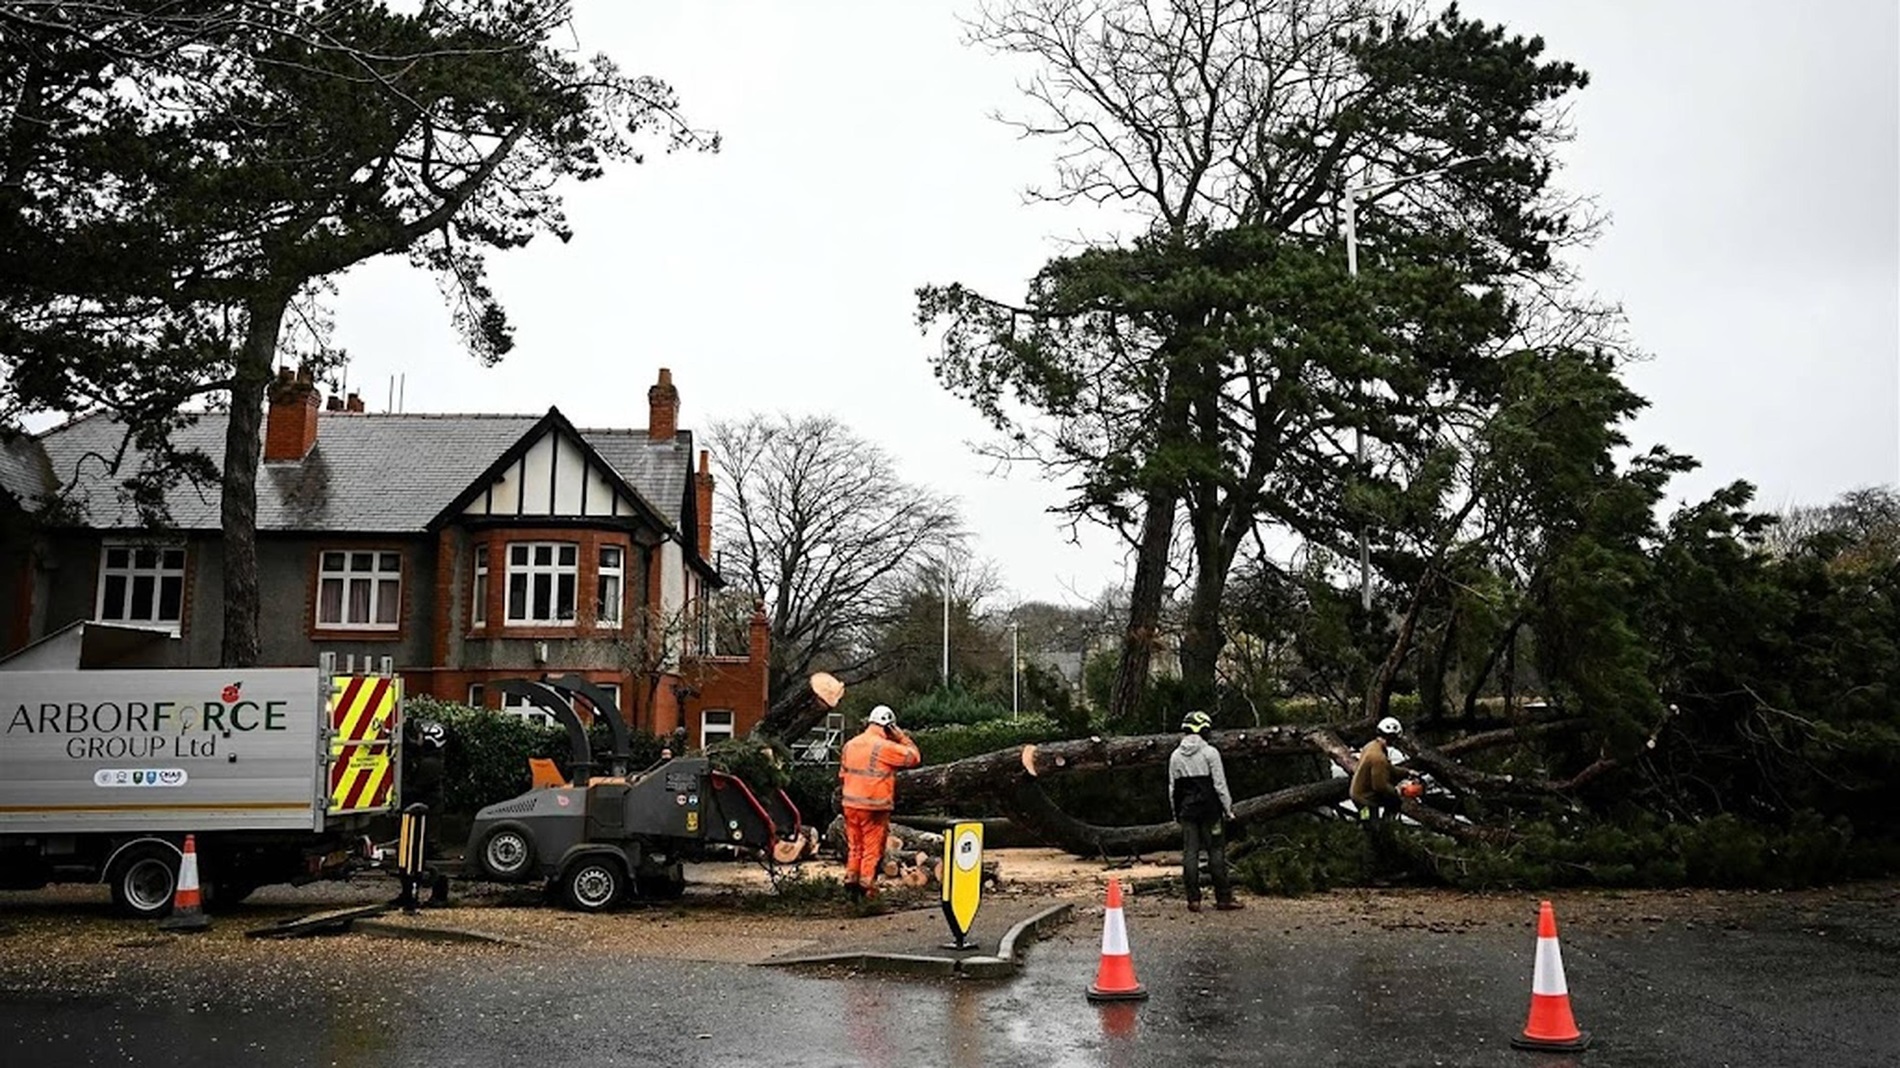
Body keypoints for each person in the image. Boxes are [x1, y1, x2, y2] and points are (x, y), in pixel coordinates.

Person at [838, 705, 921, 902]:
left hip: (850, 804)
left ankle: (851, 877)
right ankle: (867, 886)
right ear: (889, 726)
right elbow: (914, 757)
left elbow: (842, 775)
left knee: (855, 846)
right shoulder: (884, 747)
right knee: (872, 848)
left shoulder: (850, 745)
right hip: (874, 806)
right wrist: (902, 737)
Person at [1168, 711, 1242, 913]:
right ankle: (1223, 898)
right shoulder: (1210, 753)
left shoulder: (1175, 756)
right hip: (1211, 811)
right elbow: (1220, 784)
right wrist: (1228, 809)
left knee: (1189, 853)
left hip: (1187, 811)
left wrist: (1176, 813)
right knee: (1216, 851)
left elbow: (1173, 788)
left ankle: (1193, 900)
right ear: (1204, 729)